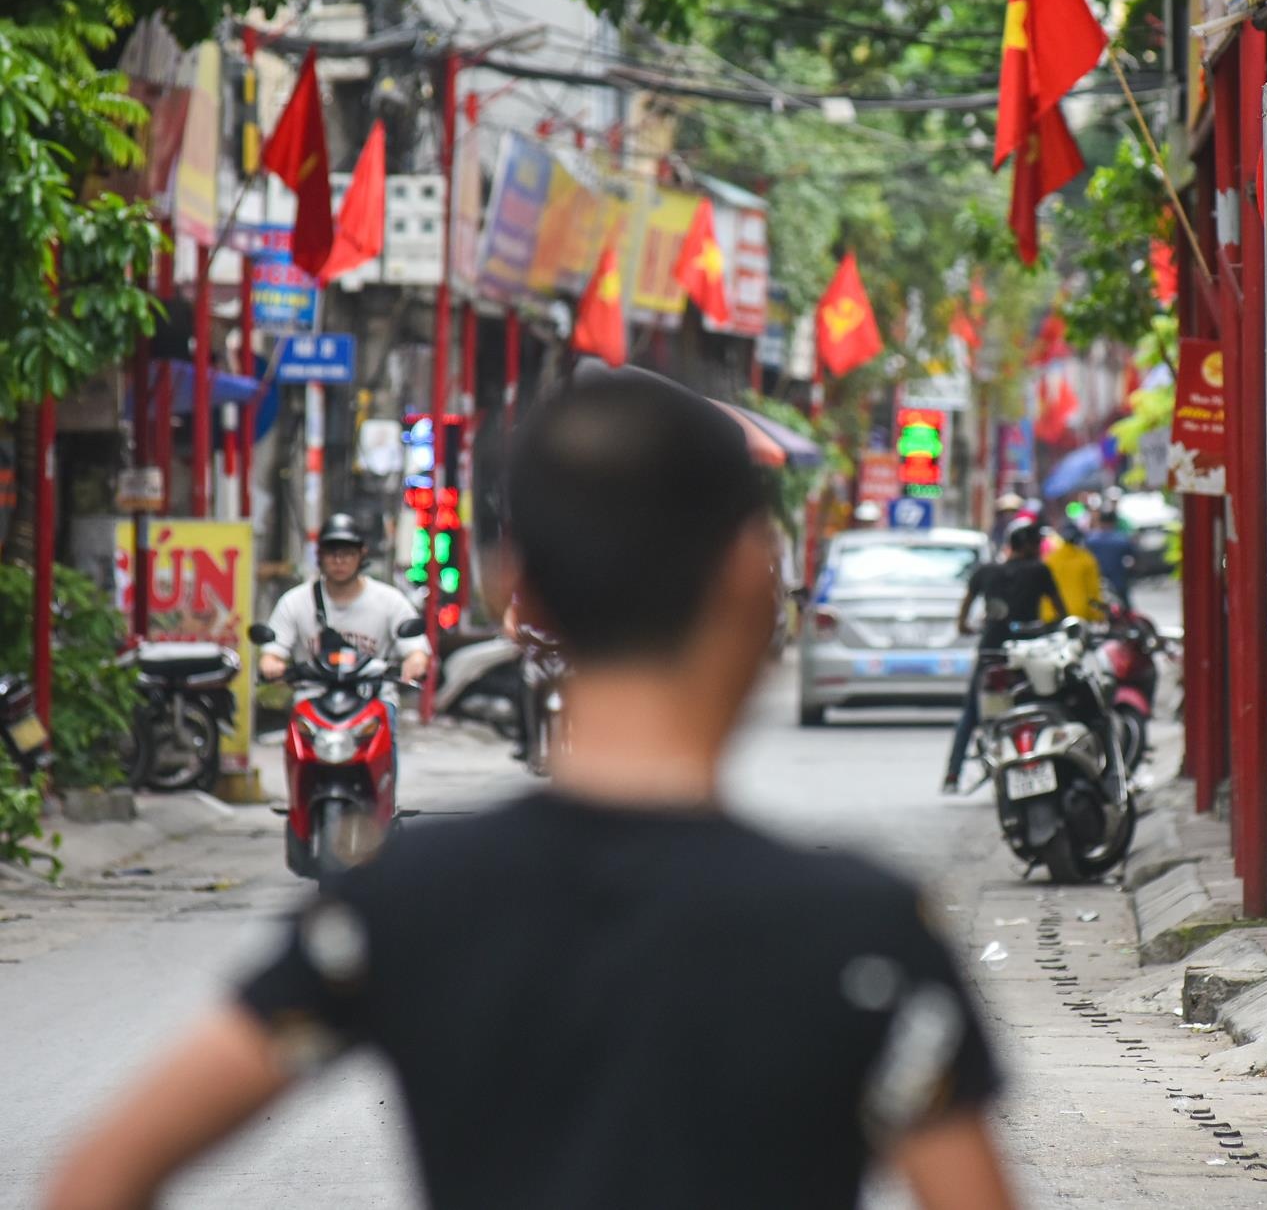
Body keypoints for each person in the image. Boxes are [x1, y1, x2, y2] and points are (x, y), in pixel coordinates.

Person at [44, 376, 1014, 1210]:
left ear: (524, 593)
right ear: (754, 588)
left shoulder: (401, 904)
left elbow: (99, 1176)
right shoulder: (861, 933)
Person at [257, 513, 431, 770]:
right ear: (320, 556)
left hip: (371, 698)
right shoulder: (294, 602)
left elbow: (416, 649)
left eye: (347, 553)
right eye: (332, 553)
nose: (339, 561)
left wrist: (414, 663)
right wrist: (271, 665)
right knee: (297, 745)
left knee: (384, 730)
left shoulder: (389, 601)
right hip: (313, 698)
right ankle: (298, 799)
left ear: (361, 555)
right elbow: (272, 652)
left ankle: (384, 801)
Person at [945, 522, 1067, 794]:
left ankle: (953, 773)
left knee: (972, 713)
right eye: (1037, 544)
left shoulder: (986, 572)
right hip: (1029, 653)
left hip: (991, 651)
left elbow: (963, 612)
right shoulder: (1039, 570)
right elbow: (1061, 611)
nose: (1039, 549)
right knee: (1048, 704)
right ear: (1026, 546)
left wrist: (967, 626)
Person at [1043, 520, 1105, 624]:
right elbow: (1093, 590)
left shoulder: (1050, 560)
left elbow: (1045, 592)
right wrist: (1097, 615)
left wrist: (1046, 615)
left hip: (1055, 614)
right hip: (1082, 614)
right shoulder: (1087, 559)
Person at [1082, 507, 1136, 609]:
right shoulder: (1122, 539)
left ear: (1100, 521)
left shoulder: (1090, 540)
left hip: (1096, 584)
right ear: (1114, 522)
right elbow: (1132, 560)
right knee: (1126, 610)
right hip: (1118, 583)